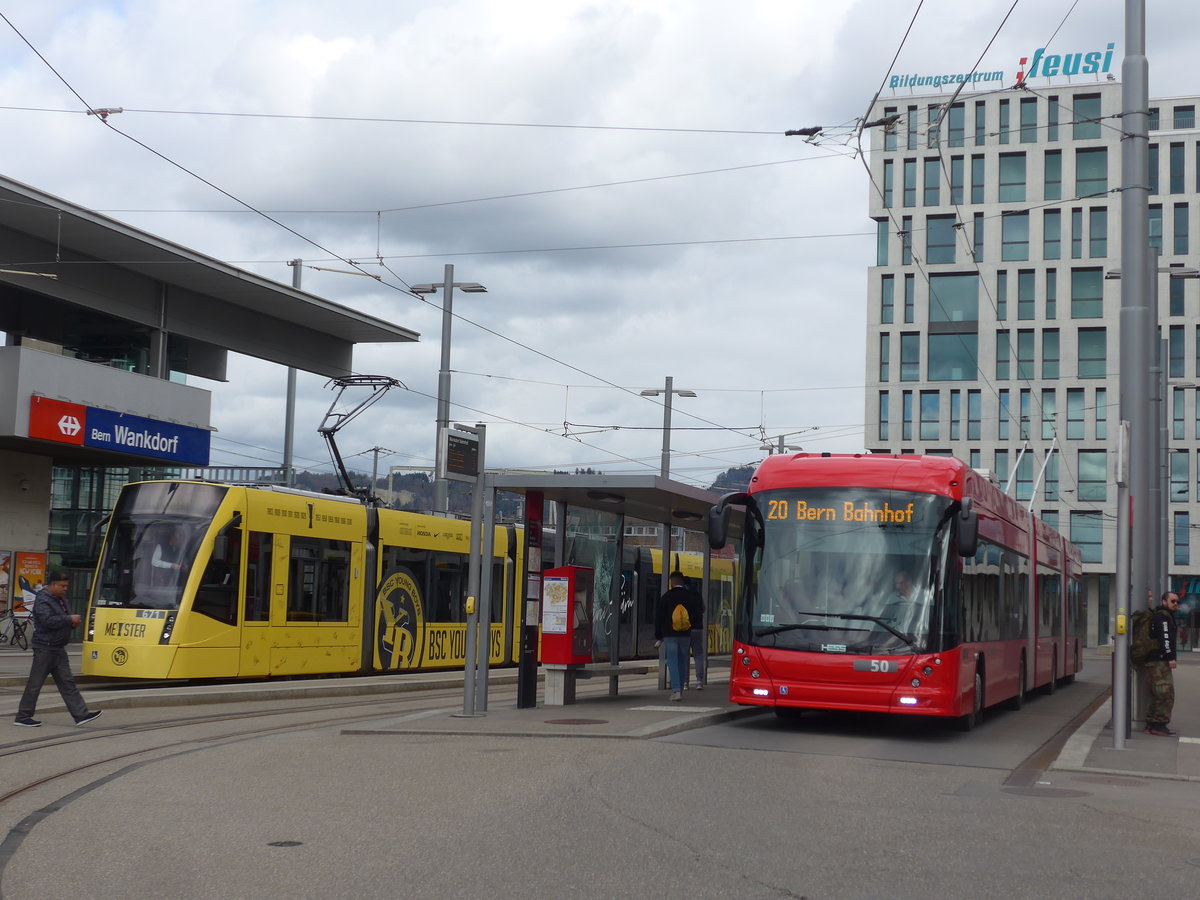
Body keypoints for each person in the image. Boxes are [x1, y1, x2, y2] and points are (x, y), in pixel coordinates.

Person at [14, 571, 103, 728]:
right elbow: (48, 621)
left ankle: (81, 714)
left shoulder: (60, 599)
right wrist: (68, 619)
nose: (65, 589)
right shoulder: (43, 600)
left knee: (67, 682)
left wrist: (71, 623)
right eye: (62, 586)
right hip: (45, 648)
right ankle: (23, 716)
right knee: (35, 683)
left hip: (57, 648)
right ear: (53, 584)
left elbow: (62, 618)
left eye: (66, 586)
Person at [1142, 590, 1180, 736]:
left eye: (1177, 601)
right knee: (1166, 693)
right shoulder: (1163, 617)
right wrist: (1170, 657)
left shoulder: (1163, 616)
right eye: (1172, 601)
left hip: (1154, 660)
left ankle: (1151, 724)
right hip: (1159, 661)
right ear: (1164, 602)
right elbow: (1165, 638)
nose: (1176, 604)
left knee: (1156, 693)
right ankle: (1158, 725)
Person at [654, 572, 695, 701]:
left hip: (670, 634)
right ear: (682, 582)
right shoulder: (690, 597)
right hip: (685, 634)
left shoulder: (666, 597)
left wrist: (659, 636)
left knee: (672, 661)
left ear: (672, 582)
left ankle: (676, 690)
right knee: (683, 662)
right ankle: (680, 690)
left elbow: (659, 617)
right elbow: (696, 614)